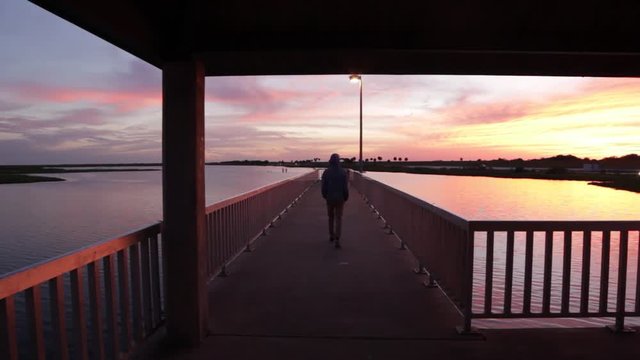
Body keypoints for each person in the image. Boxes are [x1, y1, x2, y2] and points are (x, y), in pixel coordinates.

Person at [321, 153, 349, 248]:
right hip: (340, 198)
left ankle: (331, 235)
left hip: (329, 198)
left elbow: (323, 187)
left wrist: (325, 195)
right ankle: (337, 238)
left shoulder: (326, 172)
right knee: (339, 218)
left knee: (331, 217)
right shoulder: (343, 172)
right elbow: (345, 187)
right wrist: (346, 196)